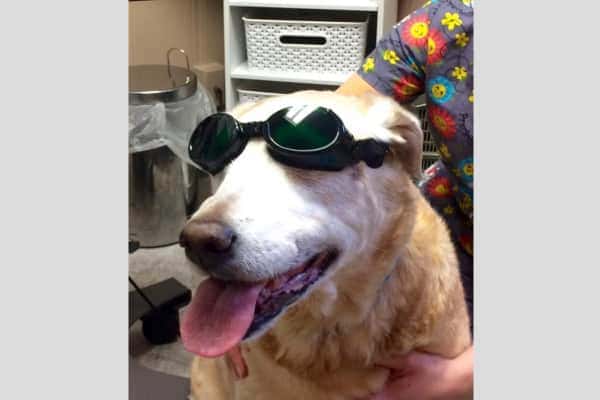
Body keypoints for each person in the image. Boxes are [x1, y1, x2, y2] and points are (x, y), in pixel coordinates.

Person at [337, 0, 474, 398]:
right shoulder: (444, 22)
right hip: (452, 221)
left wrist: (464, 375)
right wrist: (254, 288)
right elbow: (333, 123)